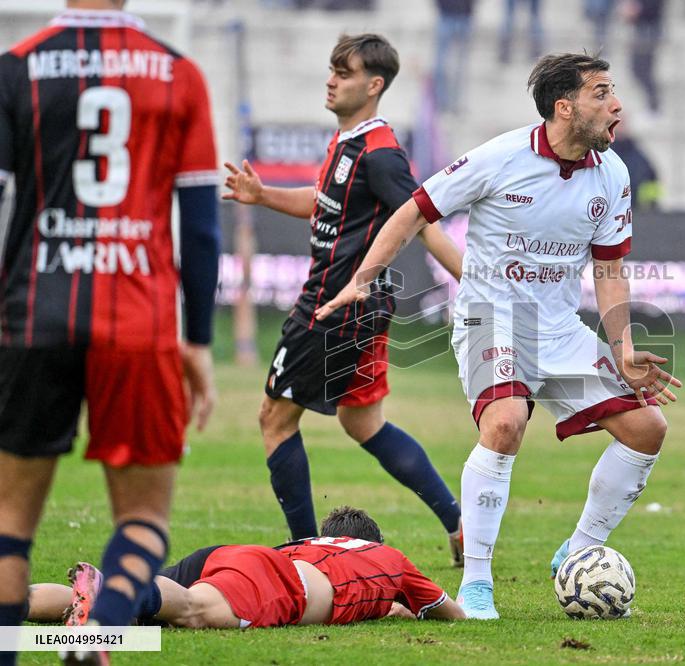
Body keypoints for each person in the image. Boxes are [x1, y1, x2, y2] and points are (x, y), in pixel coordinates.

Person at [317, 52, 682, 619]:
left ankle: (579, 550)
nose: (617, 106)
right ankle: (478, 583)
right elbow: (415, 212)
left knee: (646, 429)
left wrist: (624, 349)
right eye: (603, 94)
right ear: (566, 108)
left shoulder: (613, 175)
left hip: (559, 330)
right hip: (490, 319)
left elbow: (609, 270)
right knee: (506, 423)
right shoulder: (500, 157)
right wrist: (363, 278)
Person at [0, 1, 219, 663]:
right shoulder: (177, 73)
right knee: (143, 521)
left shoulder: (17, 68)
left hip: (33, 314)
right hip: (139, 321)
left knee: (10, 526)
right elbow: (203, 229)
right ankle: (97, 638)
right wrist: (199, 340)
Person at [221, 34, 467, 565]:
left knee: (274, 418)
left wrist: (469, 282)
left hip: (335, 307)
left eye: (345, 72)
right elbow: (323, 201)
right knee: (364, 424)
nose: (331, 80)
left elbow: (421, 218)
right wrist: (262, 195)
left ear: (374, 85)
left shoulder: (380, 153)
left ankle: (305, 555)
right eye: (332, 70)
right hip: (361, 309)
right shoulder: (350, 140)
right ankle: (459, 524)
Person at [26, 507, 466, 628]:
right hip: (277, 583)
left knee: (156, 611)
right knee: (194, 610)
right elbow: (453, 613)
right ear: (372, 541)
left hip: (236, 556)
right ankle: (119, 588)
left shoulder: (309, 543)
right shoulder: (388, 560)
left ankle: (17, 600)